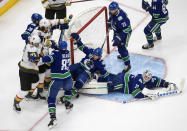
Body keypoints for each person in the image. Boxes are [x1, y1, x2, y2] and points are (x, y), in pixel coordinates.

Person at [32, 41, 73, 129]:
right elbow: (59, 52)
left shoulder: (56, 54)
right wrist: (54, 45)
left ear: (59, 47)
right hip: (68, 79)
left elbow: (48, 58)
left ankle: (53, 117)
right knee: (68, 90)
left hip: (57, 80)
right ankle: (68, 103)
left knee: (51, 98)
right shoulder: (68, 52)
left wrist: (39, 59)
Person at [67, 33, 111, 97]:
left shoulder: (100, 63)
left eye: (96, 56)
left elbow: (104, 72)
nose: (94, 56)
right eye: (94, 54)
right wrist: (78, 39)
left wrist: (109, 80)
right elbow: (82, 47)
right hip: (80, 65)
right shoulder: (90, 51)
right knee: (69, 69)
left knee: (81, 79)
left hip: (87, 72)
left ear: (99, 56)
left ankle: (75, 90)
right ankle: (59, 80)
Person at [13, 35, 42, 112]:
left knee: (36, 82)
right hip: (25, 72)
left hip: (32, 70)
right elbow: (36, 61)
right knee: (24, 90)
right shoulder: (30, 49)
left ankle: (29, 95)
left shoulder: (31, 45)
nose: (38, 45)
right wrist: (46, 59)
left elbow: (38, 48)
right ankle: (16, 102)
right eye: (36, 44)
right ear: (32, 43)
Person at [106, 69, 177, 99]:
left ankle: (99, 75)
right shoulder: (138, 79)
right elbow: (135, 93)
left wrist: (167, 84)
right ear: (142, 75)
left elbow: (159, 81)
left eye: (148, 77)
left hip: (123, 76)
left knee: (112, 77)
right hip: (123, 83)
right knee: (110, 86)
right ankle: (99, 78)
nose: (146, 78)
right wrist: (146, 96)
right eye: (145, 76)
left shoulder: (152, 80)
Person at [107, 1, 132, 73]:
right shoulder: (112, 11)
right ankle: (123, 55)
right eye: (110, 10)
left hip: (125, 32)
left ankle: (128, 65)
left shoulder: (122, 17)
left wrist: (119, 38)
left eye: (112, 10)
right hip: (118, 30)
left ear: (116, 9)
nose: (111, 11)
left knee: (122, 47)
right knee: (118, 46)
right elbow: (110, 18)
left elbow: (126, 29)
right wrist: (109, 24)